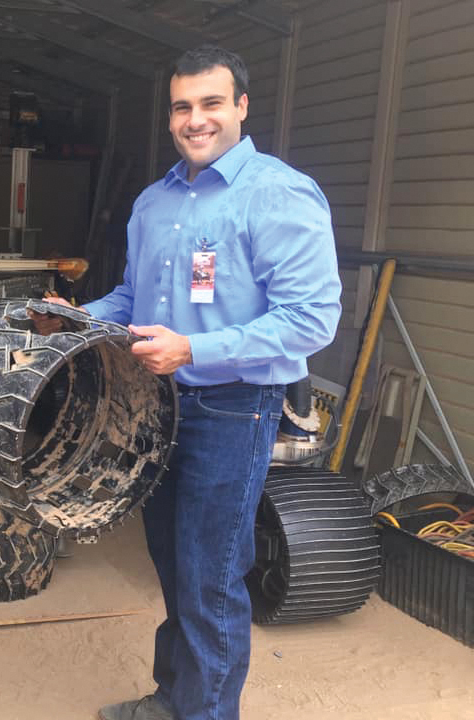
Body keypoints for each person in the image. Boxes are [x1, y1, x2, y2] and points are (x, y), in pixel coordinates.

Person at [31, 45, 341, 720]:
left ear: (241, 108)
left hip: (234, 407)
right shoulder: (154, 201)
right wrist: (80, 320)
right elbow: (135, 299)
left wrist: (196, 347)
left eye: (211, 103)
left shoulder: (277, 194)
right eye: (182, 106)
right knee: (173, 563)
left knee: (212, 576)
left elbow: (311, 321)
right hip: (155, 405)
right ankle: (175, 698)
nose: (195, 120)